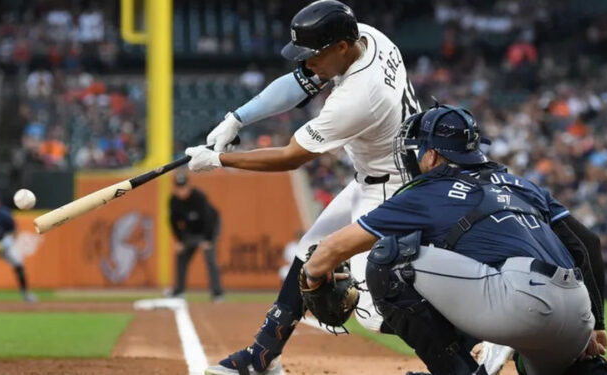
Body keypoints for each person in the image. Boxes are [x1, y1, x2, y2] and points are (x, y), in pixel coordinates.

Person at [185, 1, 466, 374]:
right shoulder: (367, 37)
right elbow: (300, 83)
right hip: (375, 175)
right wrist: (237, 119)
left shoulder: (359, 97)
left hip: (392, 189)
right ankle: (262, 357)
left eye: (313, 54)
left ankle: (475, 338)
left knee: (372, 311)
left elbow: (291, 157)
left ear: (341, 48)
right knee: (308, 252)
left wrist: (218, 161)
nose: (307, 63)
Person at [301, 104, 607, 375]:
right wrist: (597, 324)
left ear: (432, 155)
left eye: (418, 151)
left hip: (522, 305)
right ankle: (599, 371)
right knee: (535, 365)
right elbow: (586, 242)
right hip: (576, 312)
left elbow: (336, 247)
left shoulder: (428, 189)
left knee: (390, 259)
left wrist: (313, 276)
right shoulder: (521, 184)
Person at [169, 172, 224, 301]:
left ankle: (217, 293)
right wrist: (179, 241)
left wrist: (208, 239)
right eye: (179, 187)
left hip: (208, 229)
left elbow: (209, 218)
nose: (181, 191)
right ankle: (178, 290)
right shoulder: (174, 200)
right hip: (190, 231)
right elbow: (173, 222)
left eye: (183, 187)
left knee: (210, 259)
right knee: (181, 257)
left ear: (189, 185)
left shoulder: (199, 197)